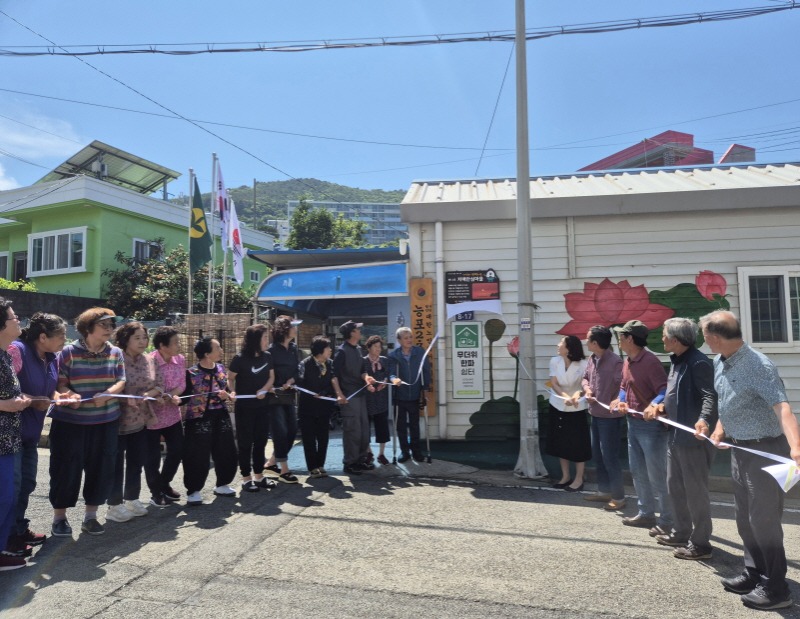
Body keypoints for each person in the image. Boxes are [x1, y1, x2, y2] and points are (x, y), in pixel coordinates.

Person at [700, 310, 800, 610]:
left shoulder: (758, 365)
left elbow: (782, 407)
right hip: (740, 449)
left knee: (764, 520)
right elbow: (726, 401)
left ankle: (777, 588)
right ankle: (755, 572)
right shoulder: (720, 361)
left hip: (766, 452)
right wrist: (718, 428)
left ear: (715, 338)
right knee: (744, 517)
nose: (703, 340)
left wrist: (796, 447)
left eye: (705, 336)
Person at [50, 308, 126, 537]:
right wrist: (69, 395)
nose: (110, 329)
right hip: (71, 422)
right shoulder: (67, 352)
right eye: (105, 325)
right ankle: (59, 518)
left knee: (101, 468)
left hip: (106, 420)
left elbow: (121, 379)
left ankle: (90, 517)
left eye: (112, 325)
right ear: (88, 327)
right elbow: (59, 382)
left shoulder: (115, 352)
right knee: (65, 469)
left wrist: (108, 393)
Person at [649, 318, 717, 561]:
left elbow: (710, 397)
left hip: (694, 440)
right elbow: (675, 396)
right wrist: (662, 408)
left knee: (695, 493)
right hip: (674, 437)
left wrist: (704, 420)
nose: (662, 339)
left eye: (665, 335)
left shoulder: (699, 362)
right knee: (674, 487)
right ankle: (681, 532)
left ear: (676, 340)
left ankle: (701, 544)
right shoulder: (677, 361)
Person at [6, 313, 66, 557]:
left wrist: (61, 397)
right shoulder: (16, 351)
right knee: (14, 487)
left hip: (30, 435)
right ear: (43, 337)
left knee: (27, 484)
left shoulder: (51, 358)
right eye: (61, 335)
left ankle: (18, 529)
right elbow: (7, 391)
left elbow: (50, 391)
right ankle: (8, 538)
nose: (65, 339)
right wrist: (33, 401)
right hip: (10, 435)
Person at [609, 320, 670, 536]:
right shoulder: (628, 360)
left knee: (657, 474)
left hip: (651, 426)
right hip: (633, 422)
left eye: (622, 336)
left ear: (630, 339)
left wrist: (654, 405)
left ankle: (667, 519)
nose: (619, 339)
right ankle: (646, 513)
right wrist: (620, 400)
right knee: (637, 471)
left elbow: (663, 389)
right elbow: (625, 386)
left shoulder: (650, 362)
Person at [105, 322, 161, 523]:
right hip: (116, 419)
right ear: (125, 339)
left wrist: (148, 394)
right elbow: (107, 387)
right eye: (137, 337)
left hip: (140, 419)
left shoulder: (148, 360)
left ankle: (132, 498)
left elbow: (158, 386)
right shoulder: (115, 357)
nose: (142, 341)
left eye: (144, 337)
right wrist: (125, 397)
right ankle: (114, 504)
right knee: (116, 463)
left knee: (137, 461)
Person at [182, 337, 238, 504]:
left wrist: (229, 394)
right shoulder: (191, 373)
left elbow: (228, 389)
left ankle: (222, 483)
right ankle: (193, 490)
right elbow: (184, 397)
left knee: (226, 450)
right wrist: (175, 398)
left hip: (221, 414)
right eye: (217, 348)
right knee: (197, 454)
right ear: (206, 354)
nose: (221, 350)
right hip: (198, 418)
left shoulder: (220, 368)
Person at [0, 299, 30, 571]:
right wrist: (6, 404)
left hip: (8, 440)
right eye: (13, 316)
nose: (18, 319)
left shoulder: (6, 355)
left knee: (8, 496)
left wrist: (20, 400)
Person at [228, 324, 277, 492]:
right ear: (255, 339)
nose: (267, 340)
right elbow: (230, 379)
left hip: (263, 406)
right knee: (245, 443)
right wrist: (232, 392)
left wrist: (264, 389)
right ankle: (246, 478)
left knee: (261, 441)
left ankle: (259, 475)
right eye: (264, 337)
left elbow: (272, 377)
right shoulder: (240, 358)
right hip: (245, 408)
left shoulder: (268, 356)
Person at [581, 326, 625, 510]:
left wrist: (618, 400)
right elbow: (585, 378)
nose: (585, 341)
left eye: (588, 339)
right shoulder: (592, 359)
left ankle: (619, 497)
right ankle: (603, 491)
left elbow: (624, 385)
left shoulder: (616, 362)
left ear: (595, 343)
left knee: (610, 457)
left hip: (610, 417)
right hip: (595, 414)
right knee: (598, 455)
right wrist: (587, 389)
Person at [145, 326, 186, 506]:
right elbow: (142, 389)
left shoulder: (180, 359)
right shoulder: (148, 362)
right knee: (152, 457)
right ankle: (156, 492)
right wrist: (156, 396)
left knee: (177, 450)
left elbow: (182, 383)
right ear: (162, 345)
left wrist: (174, 394)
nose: (179, 345)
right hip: (152, 416)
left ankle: (164, 484)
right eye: (176, 342)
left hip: (172, 415)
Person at [297, 336, 346, 478]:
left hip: (324, 407)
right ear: (319, 350)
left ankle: (321, 465)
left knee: (323, 437)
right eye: (327, 348)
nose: (330, 350)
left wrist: (325, 393)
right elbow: (299, 383)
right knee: (309, 438)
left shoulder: (330, 364)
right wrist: (311, 392)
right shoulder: (305, 364)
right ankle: (312, 467)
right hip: (307, 407)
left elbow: (334, 382)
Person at [546, 335, 590, 491]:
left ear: (569, 348)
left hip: (577, 407)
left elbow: (585, 384)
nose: (558, 345)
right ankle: (565, 476)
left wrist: (575, 396)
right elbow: (554, 383)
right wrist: (565, 397)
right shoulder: (554, 361)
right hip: (557, 404)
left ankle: (579, 478)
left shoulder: (584, 364)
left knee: (578, 443)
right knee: (560, 441)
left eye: (561, 343)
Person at [387, 327, 431, 463]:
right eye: (406, 338)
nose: (409, 340)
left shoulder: (419, 352)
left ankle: (416, 451)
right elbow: (391, 373)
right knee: (400, 426)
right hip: (400, 395)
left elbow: (426, 371)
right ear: (399, 340)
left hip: (415, 395)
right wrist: (394, 379)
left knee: (414, 425)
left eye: (410, 337)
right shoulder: (394, 355)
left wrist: (425, 389)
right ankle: (404, 452)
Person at [264, 317, 300, 484]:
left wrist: (291, 381)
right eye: (293, 326)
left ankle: (271, 463)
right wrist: (274, 385)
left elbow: (297, 371)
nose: (296, 329)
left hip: (289, 395)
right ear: (285, 329)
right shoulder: (271, 351)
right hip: (273, 397)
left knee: (292, 431)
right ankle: (284, 469)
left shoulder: (293, 349)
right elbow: (266, 373)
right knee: (280, 431)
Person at [334, 320, 372, 474]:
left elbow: (363, 370)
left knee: (364, 430)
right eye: (357, 329)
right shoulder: (341, 352)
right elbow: (334, 375)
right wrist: (339, 394)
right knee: (352, 431)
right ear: (351, 333)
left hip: (361, 394)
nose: (360, 331)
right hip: (349, 396)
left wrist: (367, 378)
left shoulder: (358, 349)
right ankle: (349, 463)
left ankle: (361, 460)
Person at [362, 335, 391, 466]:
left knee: (382, 426)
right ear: (369, 347)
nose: (378, 349)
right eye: (375, 347)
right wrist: (367, 385)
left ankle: (381, 453)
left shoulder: (384, 360)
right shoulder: (363, 361)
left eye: (380, 347)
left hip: (381, 397)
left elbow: (388, 375)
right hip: (367, 398)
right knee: (366, 426)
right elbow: (360, 377)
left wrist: (385, 382)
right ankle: (369, 452)